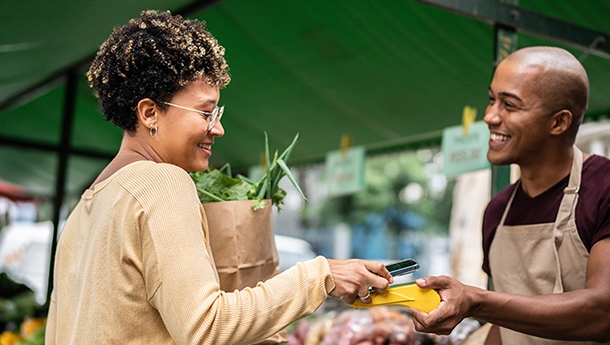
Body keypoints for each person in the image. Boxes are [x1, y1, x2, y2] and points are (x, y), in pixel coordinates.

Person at [47, 11, 392, 344]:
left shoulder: (85, 208)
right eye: (206, 113)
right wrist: (320, 277)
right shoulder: (161, 183)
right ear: (150, 112)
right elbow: (205, 327)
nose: (219, 129)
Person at [412, 47, 610, 345]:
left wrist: (475, 300)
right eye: (491, 99)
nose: (489, 116)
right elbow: (509, 326)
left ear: (558, 122)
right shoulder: (498, 210)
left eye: (509, 105)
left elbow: (600, 315)